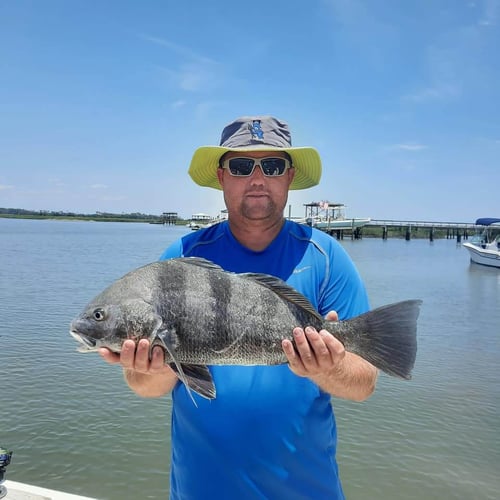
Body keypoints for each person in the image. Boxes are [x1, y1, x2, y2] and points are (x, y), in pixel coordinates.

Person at [100, 116, 378, 499]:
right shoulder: (180, 258)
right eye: (242, 166)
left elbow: (364, 384)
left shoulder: (327, 257)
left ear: (289, 176)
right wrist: (151, 368)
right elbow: (147, 387)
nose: (258, 178)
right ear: (221, 177)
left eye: (273, 165)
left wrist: (330, 366)